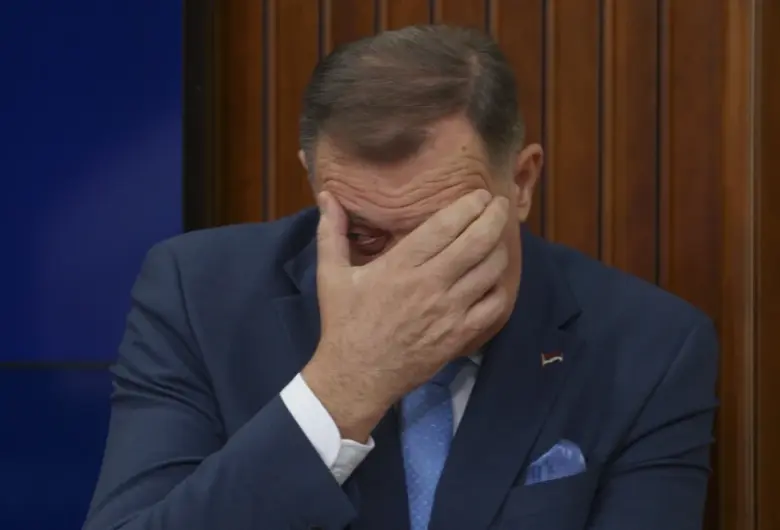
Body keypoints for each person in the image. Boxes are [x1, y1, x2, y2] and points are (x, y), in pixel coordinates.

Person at [84, 25, 718, 530]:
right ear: (314, 180)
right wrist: (345, 386)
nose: (405, 276)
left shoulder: (649, 347)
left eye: (443, 231)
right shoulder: (198, 295)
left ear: (521, 182)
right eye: (363, 236)